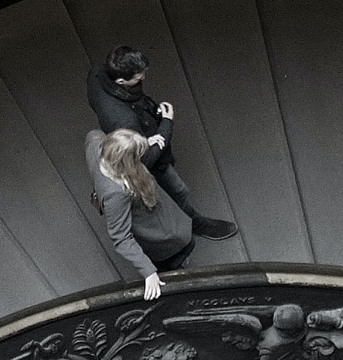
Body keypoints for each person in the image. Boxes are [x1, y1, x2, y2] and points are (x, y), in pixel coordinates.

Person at [88, 46, 238, 241]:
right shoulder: (123, 120)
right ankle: (194, 225)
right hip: (142, 158)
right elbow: (146, 160)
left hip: (135, 127)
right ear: (121, 81)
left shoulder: (96, 74)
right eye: (138, 78)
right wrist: (166, 122)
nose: (143, 78)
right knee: (178, 189)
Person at [90, 127, 196, 300]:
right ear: (126, 163)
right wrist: (149, 272)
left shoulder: (95, 145)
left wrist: (144, 142)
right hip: (162, 233)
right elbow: (121, 237)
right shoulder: (116, 193)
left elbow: (92, 134)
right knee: (181, 246)